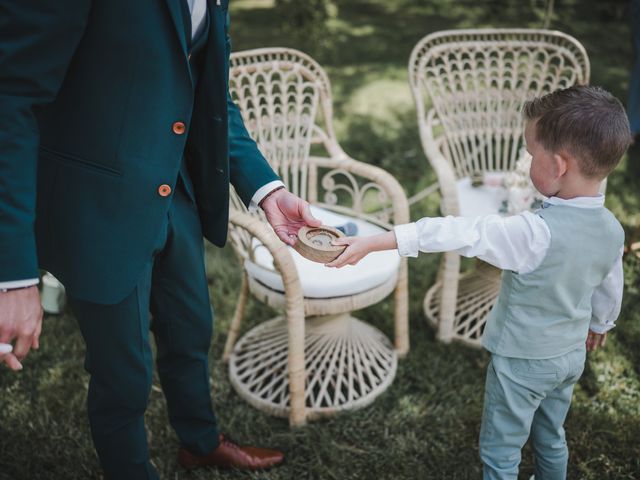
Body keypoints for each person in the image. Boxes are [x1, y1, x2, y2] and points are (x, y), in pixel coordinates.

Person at [0, 0, 320, 478]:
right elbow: (11, 103)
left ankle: (200, 441)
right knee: (124, 375)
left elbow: (209, 93)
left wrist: (265, 188)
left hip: (176, 193)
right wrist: (13, 276)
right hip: (96, 209)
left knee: (190, 332)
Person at [327, 85, 630, 480]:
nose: (526, 159)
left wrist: (377, 241)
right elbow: (610, 285)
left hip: (522, 363)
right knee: (551, 435)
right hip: (570, 357)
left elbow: (458, 233)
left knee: (502, 450)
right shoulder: (612, 229)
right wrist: (600, 324)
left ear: (558, 165)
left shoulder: (534, 233)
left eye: (529, 152)